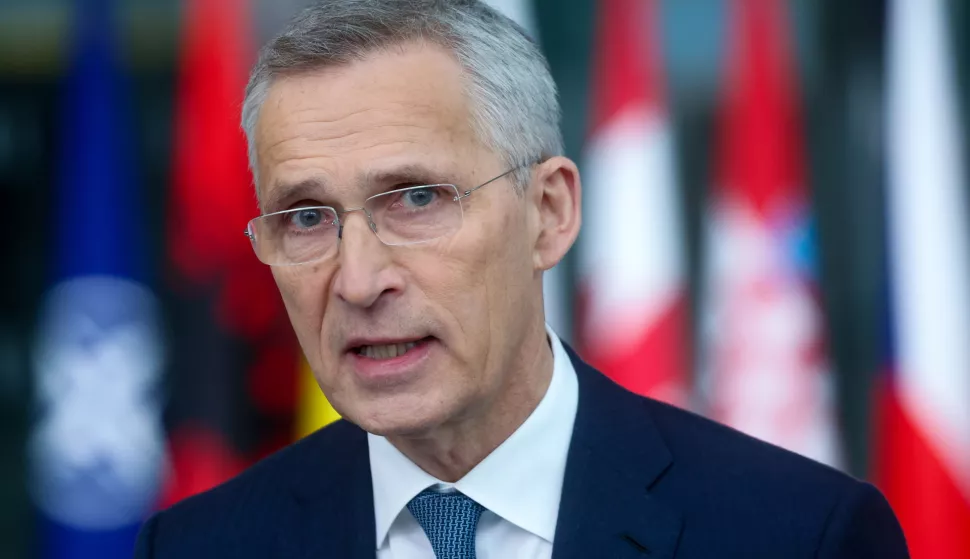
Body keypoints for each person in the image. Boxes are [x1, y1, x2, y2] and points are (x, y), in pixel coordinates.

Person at [134, 1, 909, 557]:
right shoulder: (199, 543)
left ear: (548, 211)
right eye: (306, 218)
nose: (359, 280)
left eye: (416, 198)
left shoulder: (799, 533)